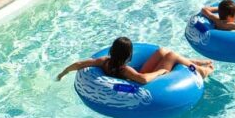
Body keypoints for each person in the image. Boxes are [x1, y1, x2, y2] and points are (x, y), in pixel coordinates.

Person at [56, 37, 214, 84]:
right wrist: (160, 71)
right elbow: (143, 79)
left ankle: (193, 61)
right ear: (129, 55)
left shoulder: (104, 61)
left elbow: (78, 64)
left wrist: (63, 74)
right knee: (171, 55)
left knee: (162, 51)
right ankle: (201, 70)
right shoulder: (125, 70)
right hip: (143, 82)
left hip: (136, 76)